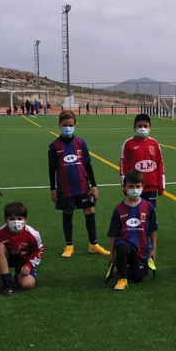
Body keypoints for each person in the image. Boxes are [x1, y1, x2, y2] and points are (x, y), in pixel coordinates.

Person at [48, 110, 109, 258]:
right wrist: (53, 189)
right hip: (65, 187)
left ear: (74, 125)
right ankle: (69, 246)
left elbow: (88, 165)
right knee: (67, 213)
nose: (67, 128)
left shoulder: (81, 143)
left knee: (89, 211)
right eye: (64, 125)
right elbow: (52, 169)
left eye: (70, 125)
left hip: (82, 185)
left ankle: (93, 245)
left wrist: (94, 186)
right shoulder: (54, 146)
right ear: (59, 126)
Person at [106, 169, 158, 291]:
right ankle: (122, 278)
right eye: (131, 186)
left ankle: (125, 267)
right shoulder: (119, 209)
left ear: (142, 187)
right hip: (125, 243)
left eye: (137, 186)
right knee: (122, 248)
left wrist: (154, 250)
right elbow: (113, 233)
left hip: (141, 248)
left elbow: (153, 229)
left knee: (138, 278)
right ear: (124, 187)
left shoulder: (148, 207)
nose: (134, 189)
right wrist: (111, 254)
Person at [0, 201, 44, 296]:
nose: (16, 222)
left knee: (27, 284)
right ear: (6, 220)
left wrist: (29, 265)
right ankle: (7, 283)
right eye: (12, 219)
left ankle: (18, 276)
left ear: (25, 220)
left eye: (19, 219)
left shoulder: (33, 234)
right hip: (6, 257)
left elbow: (38, 251)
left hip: (23, 260)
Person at [120, 113, 165, 206]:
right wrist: (125, 186)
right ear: (134, 128)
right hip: (134, 187)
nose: (142, 128)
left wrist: (161, 186)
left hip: (151, 187)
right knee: (135, 212)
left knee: (149, 213)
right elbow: (123, 165)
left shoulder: (154, 143)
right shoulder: (128, 144)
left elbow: (160, 165)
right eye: (139, 126)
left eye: (145, 126)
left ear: (150, 128)